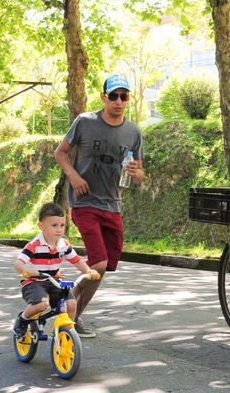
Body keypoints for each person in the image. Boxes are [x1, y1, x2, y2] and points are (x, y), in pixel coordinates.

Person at [54, 73, 144, 337]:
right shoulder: (85, 122)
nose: (118, 101)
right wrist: (73, 175)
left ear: (128, 99)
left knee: (103, 268)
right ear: (104, 97)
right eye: (113, 95)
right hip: (84, 203)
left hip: (113, 205)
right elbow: (60, 152)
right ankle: (69, 303)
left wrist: (136, 172)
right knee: (99, 263)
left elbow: (139, 176)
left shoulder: (133, 132)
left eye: (123, 96)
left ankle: (73, 313)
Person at [13, 202, 100, 336]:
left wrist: (88, 271)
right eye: (54, 225)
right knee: (41, 305)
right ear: (41, 226)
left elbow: (76, 260)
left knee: (71, 304)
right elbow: (18, 264)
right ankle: (23, 319)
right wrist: (27, 270)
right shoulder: (34, 245)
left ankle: (66, 332)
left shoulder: (64, 244)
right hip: (34, 281)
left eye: (62, 225)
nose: (59, 229)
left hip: (54, 280)